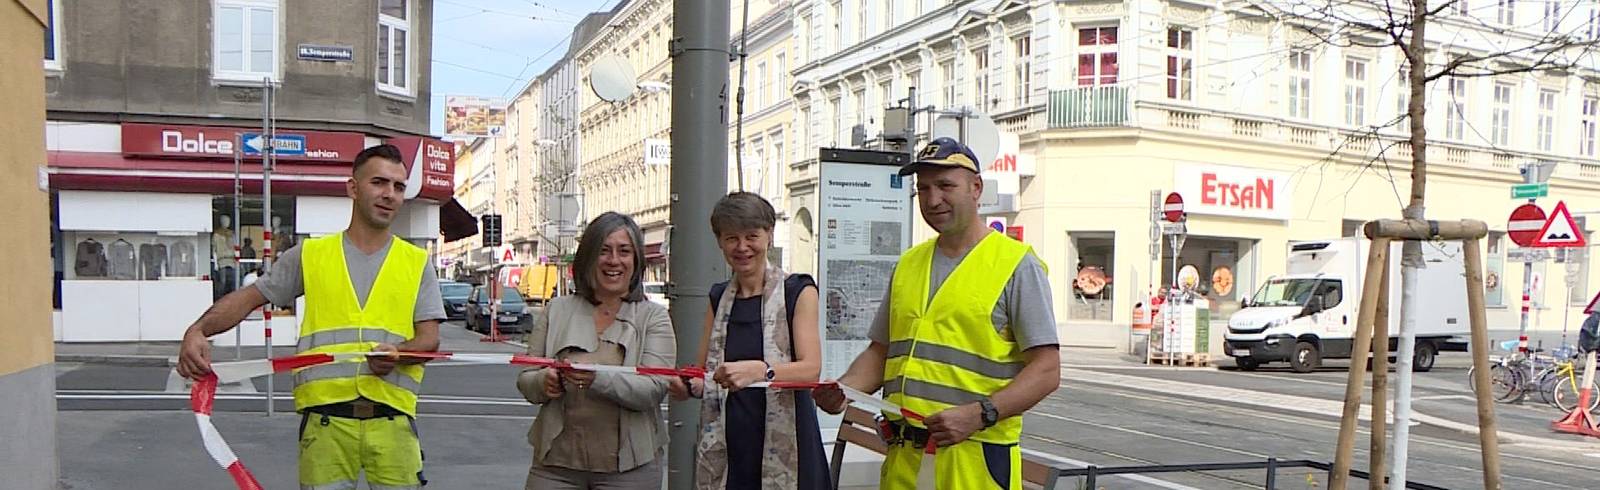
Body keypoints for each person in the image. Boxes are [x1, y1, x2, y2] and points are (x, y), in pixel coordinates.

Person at [176, 144, 445, 490]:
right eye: (378, 182)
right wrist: (199, 330)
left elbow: (429, 339)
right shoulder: (312, 255)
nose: (389, 194)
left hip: (393, 423)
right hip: (326, 426)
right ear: (353, 188)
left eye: (398, 186)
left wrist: (399, 354)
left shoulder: (417, 262)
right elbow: (251, 296)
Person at [812, 137, 1061, 490]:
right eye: (923, 189)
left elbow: (1047, 370)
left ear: (976, 188)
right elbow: (882, 352)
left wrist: (980, 414)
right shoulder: (909, 263)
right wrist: (844, 390)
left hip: (974, 462)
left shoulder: (1017, 265)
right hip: (904, 459)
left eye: (945, 186)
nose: (932, 200)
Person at [665, 192, 830, 490]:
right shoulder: (718, 297)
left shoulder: (798, 291)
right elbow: (704, 375)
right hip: (730, 448)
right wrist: (687, 385)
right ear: (720, 242)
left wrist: (761, 371)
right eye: (731, 238)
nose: (742, 247)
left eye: (752, 236)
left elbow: (811, 371)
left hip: (791, 446)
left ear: (769, 235)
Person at [516, 211, 675, 489]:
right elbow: (526, 380)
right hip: (555, 464)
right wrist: (544, 381)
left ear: (636, 260)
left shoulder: (654, 317)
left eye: (624, 251)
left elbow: (653, 389)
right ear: (588, 257)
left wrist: (597, 378)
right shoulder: (556, 309)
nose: (614, 260)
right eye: (604, 250)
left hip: (630, 469)